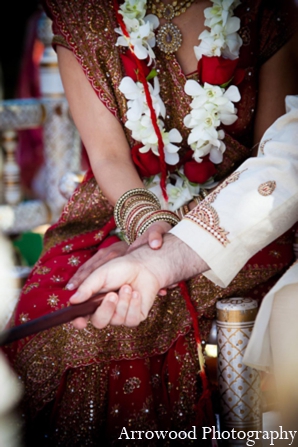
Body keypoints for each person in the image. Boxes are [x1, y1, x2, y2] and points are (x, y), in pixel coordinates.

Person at [2, 0, 298, 445]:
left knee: (148, 309)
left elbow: (275, 154)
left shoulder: (263, 8)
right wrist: (149, 227)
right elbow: (106, 156)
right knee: (65, 313)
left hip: (245, 208)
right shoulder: (83, 13)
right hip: (119, 205)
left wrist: (169, 245)